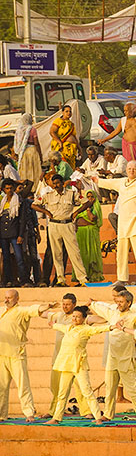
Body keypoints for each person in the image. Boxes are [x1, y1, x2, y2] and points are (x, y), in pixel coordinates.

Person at [47, 306, 109, 424]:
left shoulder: (85, 329)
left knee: (87, 391)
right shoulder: (68, 328)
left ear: (84, 319)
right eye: (74, 316)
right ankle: (56, 418)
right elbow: (59, 327)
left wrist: (112, 327)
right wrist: (53, 325)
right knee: (62, 393)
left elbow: (99, 329)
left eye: (78, 317)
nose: (75, 318)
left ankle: (98, 417)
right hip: (66, 365)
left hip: (79, 365)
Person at [0, 290, 50, 420]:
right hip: (1, 354)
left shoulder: (21, 311)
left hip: (17, 353)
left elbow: (33, 309)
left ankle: (29, 413)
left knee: (23, 385)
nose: (7, 300)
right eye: (5, 297)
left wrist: (47, 306)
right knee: (1, 387)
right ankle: (1, 415)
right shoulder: (1, 310)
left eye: (10, 298)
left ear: (17, 298)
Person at [32, 172, 87, 286]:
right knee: (56, 254)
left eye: (58, 183)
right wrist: (46, 211)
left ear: (63, 183)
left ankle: (83, 279)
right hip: (53, 225)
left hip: (67, 224)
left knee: (74, 253)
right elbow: (34, 205)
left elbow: (87, 202)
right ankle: (61, 279)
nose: (56, 185)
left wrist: (76, 212)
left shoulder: (71, 194)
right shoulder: (48, 195)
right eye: (54, 184)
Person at [71, 190, 105, 282]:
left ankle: (93, 277)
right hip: (80, 234)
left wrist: (88, 209)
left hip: (90, 233)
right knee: (80, 255)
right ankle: (81, 277)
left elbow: (92, 218)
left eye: (92, 197)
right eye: (88, 197)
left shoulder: (96, 208)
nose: (90, 199)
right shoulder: (81, 208)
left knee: (91, 254)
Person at [14, 113, 43, 183]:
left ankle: (25, 186)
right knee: (34, 170)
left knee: (25, 170)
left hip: (23, 152)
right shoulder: (32, 129)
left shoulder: (19, 130)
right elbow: (36, 143)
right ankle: (35, 187)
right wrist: (40, 154)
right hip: (32, 151)